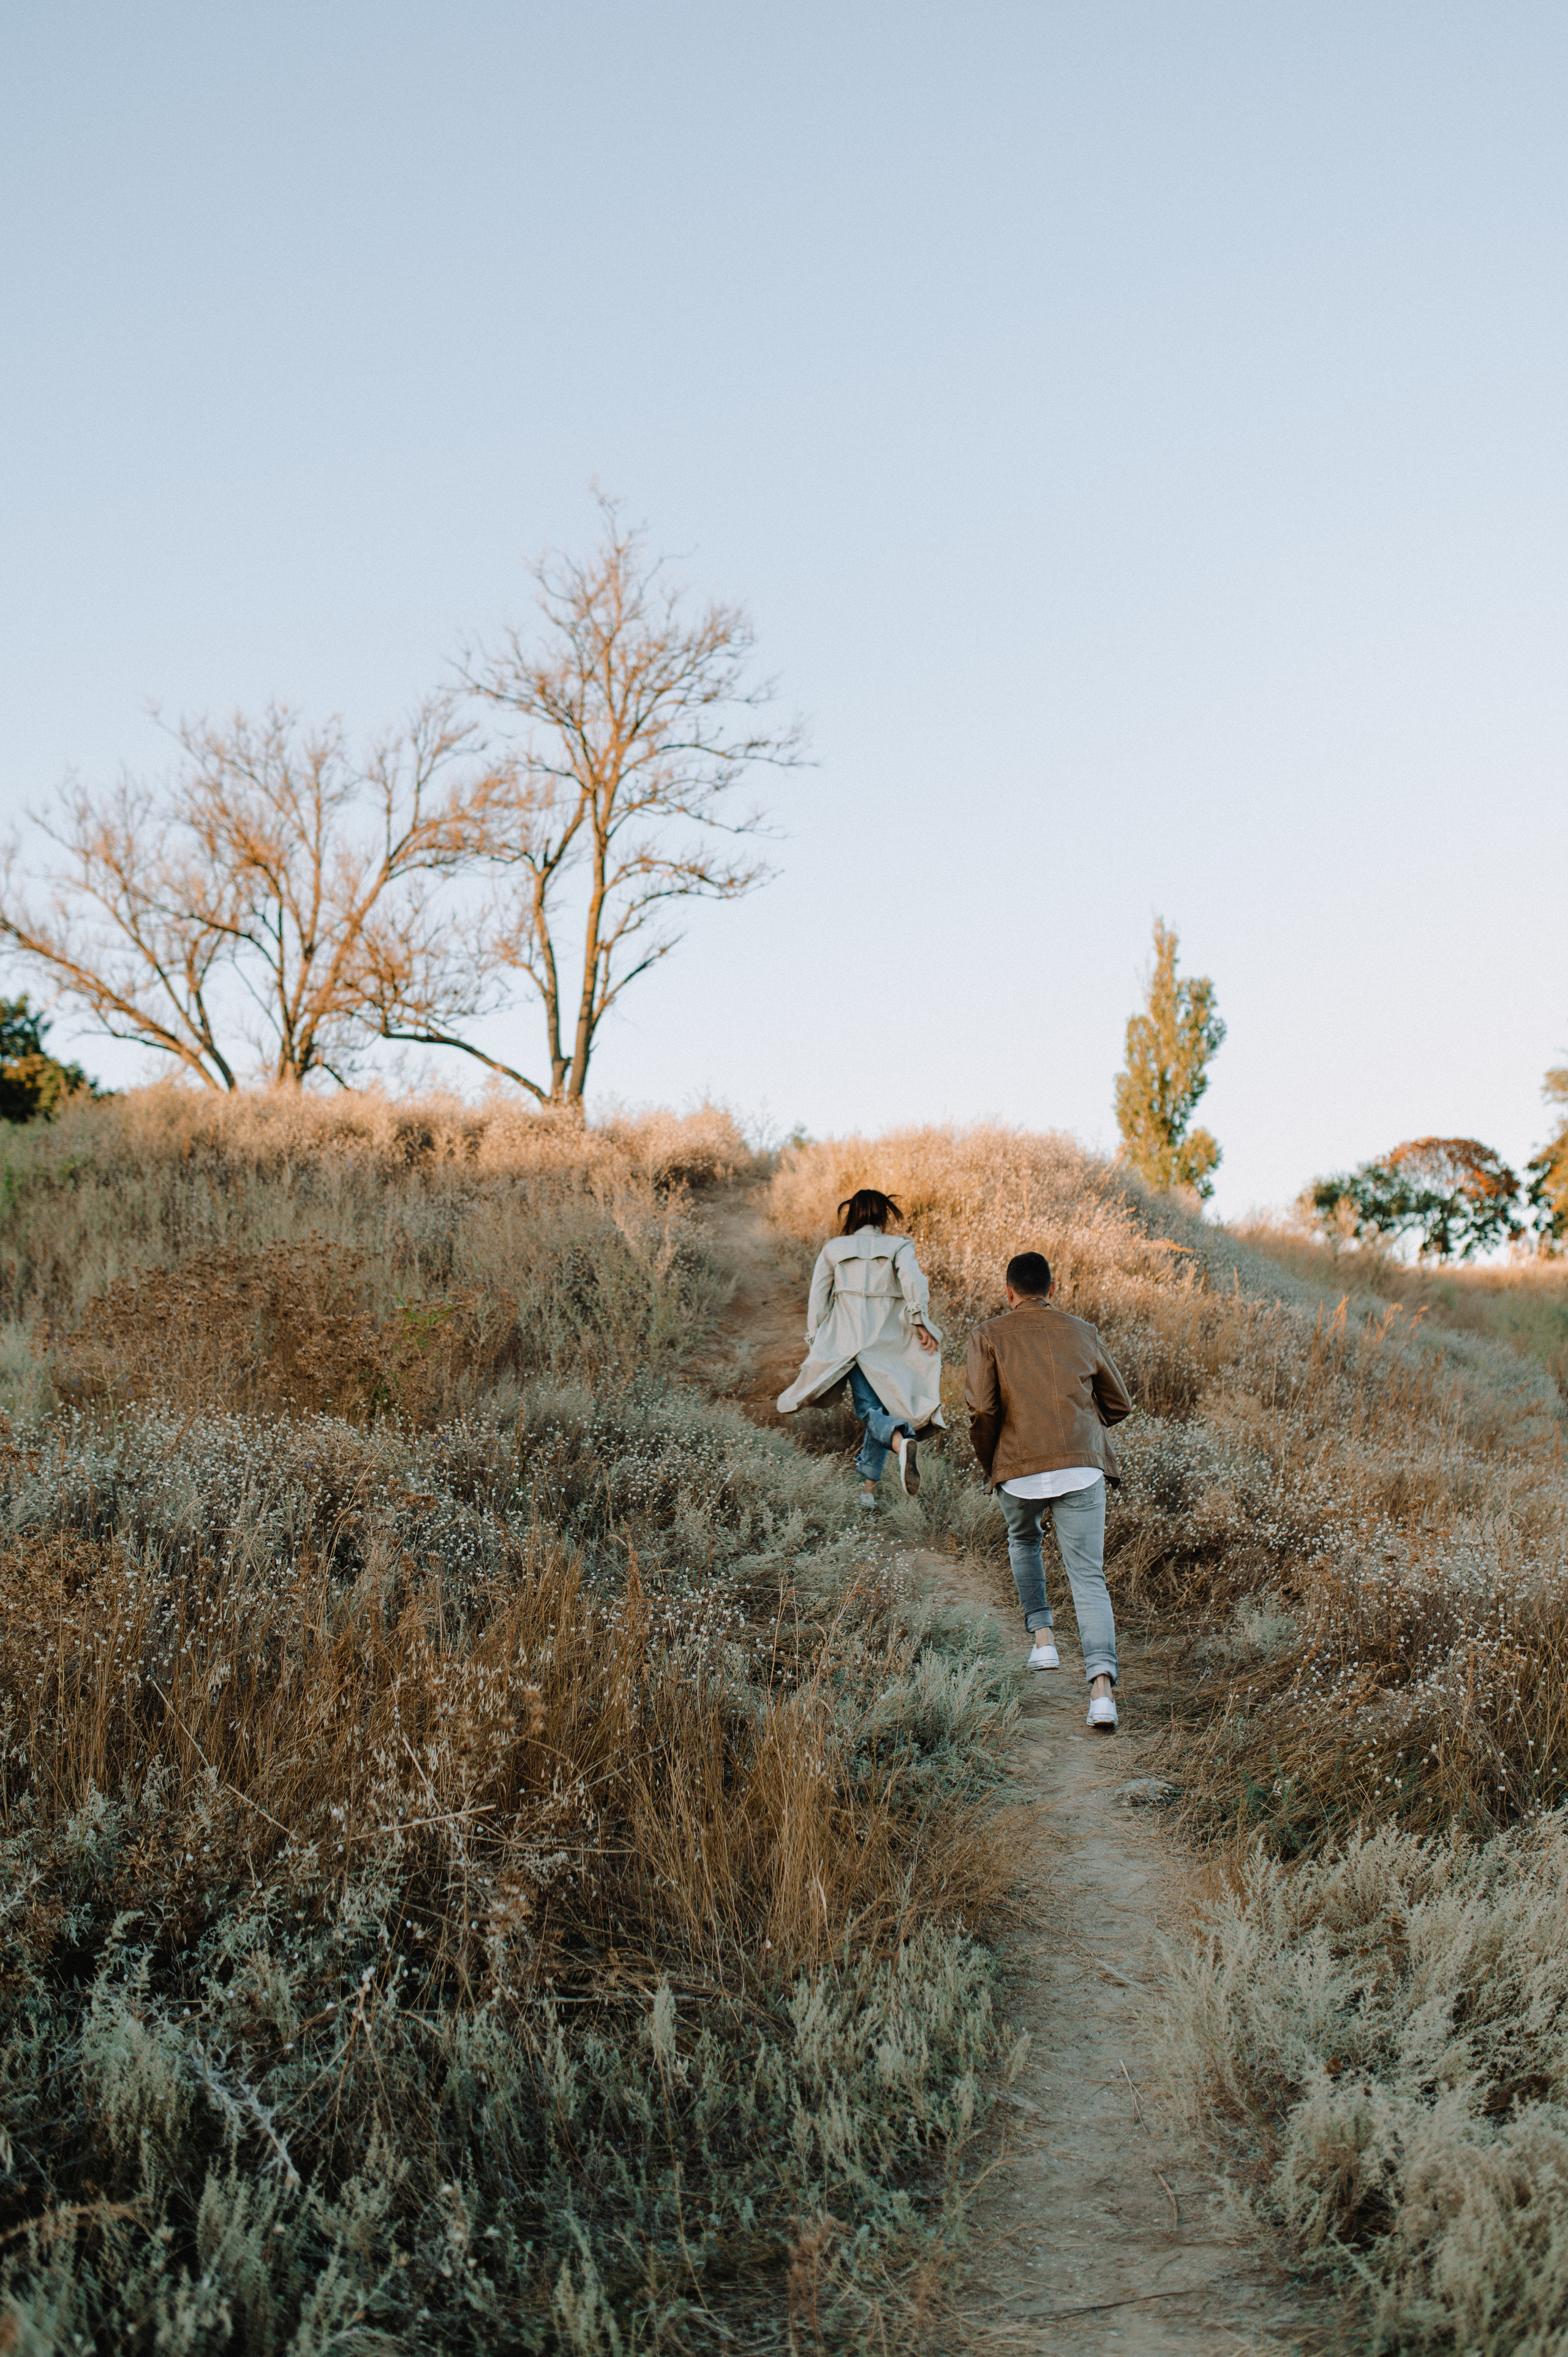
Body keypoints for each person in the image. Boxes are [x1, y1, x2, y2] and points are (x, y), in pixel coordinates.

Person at [965, 1250, 1133, 1731]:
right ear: (1053, 1290)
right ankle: (1102, 1691)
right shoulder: (1082, 1330)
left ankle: (1043, 1643)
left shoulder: (987, 1335)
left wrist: (993, 1460)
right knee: (1088, 1576)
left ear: (1009, 1291)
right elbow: (1119, 1403)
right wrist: (1081, 1426)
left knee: (1024, 1541)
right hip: (1082, 1468)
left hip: (1016, 1469)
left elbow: (981, 1410)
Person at [777, 1188, 944, 1507]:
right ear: (883, 1215)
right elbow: (913, 1280)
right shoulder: (899, 1245)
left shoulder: (834, 1248)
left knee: (870, 1411)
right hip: (888, 1343)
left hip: (847, 1340)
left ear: (852, 1215)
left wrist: (816, 1340)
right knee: (881, 1407)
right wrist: (919, 1319)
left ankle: (900, 1442)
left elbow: (818, 1299)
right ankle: (868, 1490)